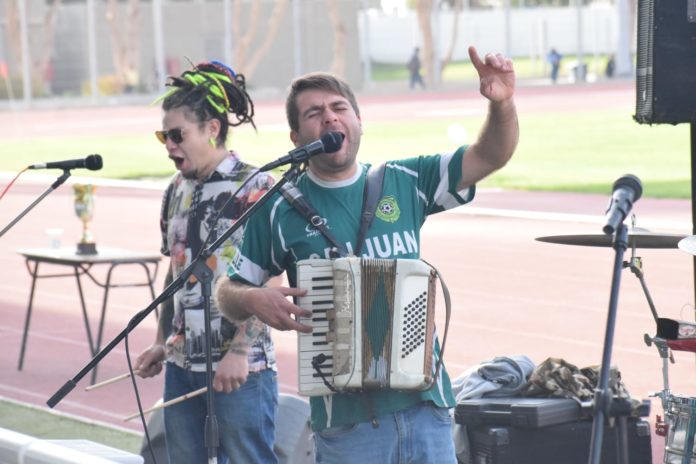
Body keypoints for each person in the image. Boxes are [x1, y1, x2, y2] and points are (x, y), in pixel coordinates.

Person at [215, 45, 517, 463]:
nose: (329, 117)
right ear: (296, 138)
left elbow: (490, 155)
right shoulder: (278, 210)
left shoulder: (406, 180)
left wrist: (502, 105)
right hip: (347, 427)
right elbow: (227, 291)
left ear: (358, 121)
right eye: (314, 112)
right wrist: (251, 298)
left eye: (340, 107)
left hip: (425, 410)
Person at [133, 60, 278, 464]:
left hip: (241, 368)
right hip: (182, 366)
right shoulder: (173, 191)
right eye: (164, 134)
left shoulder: (257, 186)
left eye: (177, 134)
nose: (168, 144)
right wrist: (162, 342)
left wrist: (240, 351)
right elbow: (173, 274)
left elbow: (269, 279)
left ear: (212, 128)